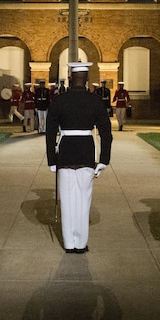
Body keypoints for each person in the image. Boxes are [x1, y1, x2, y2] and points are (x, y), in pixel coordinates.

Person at [46, 62, 112, 253]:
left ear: (69, 77)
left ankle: (69, 243)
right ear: (87, 79)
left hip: (66, 152)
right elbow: (106, 133)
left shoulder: (59, 100)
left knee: (67, 200)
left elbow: (50, 133)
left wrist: (52, 160)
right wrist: (103, 160)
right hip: (85, 151)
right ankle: (80, 243)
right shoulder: (95, 100)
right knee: (84, 199)